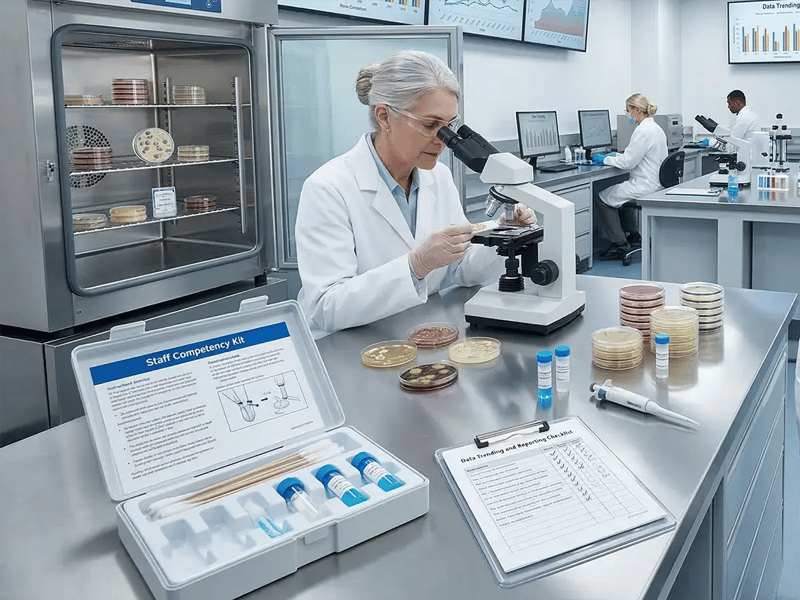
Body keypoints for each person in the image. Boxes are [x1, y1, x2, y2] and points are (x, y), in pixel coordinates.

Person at [295, 50, 536, 339]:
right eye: (429, 125)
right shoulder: (328, 188)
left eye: (448, 126)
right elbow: (326, 307)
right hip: (351, 345)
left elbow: (460, 268)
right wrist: (417, 265)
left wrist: (503, 236)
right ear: (384, 115)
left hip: (420, 333)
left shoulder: (438, 177)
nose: (443, 141)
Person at [592, 93, 668, 261]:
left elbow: (627, 162)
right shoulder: (655, 128)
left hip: (645, 186)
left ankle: (620, 244)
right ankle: (633, 235)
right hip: (655, 184)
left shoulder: (643, 131)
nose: (627, 114)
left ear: (636, 110)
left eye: (628, 110)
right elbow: (633, 156)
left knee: (602, 198)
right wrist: (616, 157)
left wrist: (605, 158)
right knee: (620, 192)